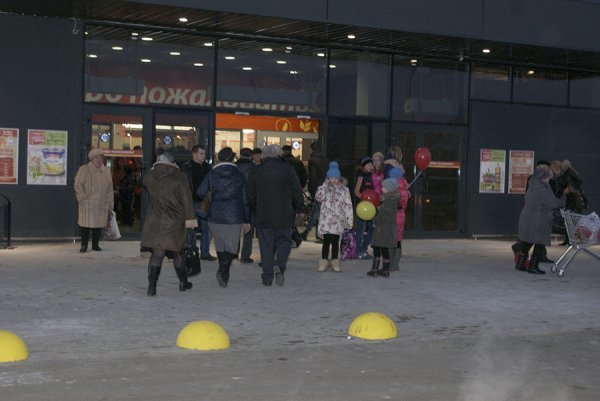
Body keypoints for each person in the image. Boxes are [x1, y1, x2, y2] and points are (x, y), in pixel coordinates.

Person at [247, 144, 305, 286]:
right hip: (284, 213)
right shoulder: (288, 169)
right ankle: (280, 264)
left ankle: (267, 277)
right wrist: (300, 208)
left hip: (263, 213)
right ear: (279, 154)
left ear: (263, 155)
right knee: (284, 241)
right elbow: (296, 190)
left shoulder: (256, 171)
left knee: (266, 246)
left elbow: (250, 194)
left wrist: (255, 208)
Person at [140, 152, 197, 296]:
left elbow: (146, 180)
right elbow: (187, 200)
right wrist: (190, 221)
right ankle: (183, 282)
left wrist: (155, 167)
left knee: (157, 253)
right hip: (174, 221)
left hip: (155, 221)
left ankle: (151, 287)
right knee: (177, 252)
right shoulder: (180, 177)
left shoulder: (149, 176)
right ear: (173, 162)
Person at [197, 147, 251, 288]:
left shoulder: (211, 174)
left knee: (220, 246)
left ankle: (223, 272)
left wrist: (213, 195)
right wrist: (247, 220)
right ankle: (223, 271)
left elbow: (200, 192)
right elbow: (245, 199)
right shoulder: (239, 175)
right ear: (232, 159)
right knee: (232, 248)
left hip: (215, 215)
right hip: (235, 215)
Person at [515, 165, 569, 274]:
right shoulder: (543, 188)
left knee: (528, 241)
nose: (551, 175)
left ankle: (520, 263)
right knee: (540, 243)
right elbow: (552, 203)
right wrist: (564, 196)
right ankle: (533, 266)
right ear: (546, 175)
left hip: (527, 218)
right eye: (550, 173)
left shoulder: (533, 185)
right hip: (538, 220)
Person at [316, 162, 354, 272]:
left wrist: (349, 220)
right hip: (326, 220)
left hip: (338, 220)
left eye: (335, 177)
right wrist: (323, 186)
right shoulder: (324, 188)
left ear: (339, 177)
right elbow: (318, 198)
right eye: (331, 177)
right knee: (326, 242)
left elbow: (348, 205)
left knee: (335, 242)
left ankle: (334, 261)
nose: (333, 180)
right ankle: (323, 260)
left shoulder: (344, 190)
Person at [74, 148, 114, 253]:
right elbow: (78, 185)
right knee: (85, 226)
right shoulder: (84, 169)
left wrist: (110, 203)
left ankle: (96, 245)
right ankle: (84, 245)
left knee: (98, 225)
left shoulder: (106, 171)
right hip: (87, 203)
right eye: (96, 157)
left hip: (101, 203)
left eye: (101, 157)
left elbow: (110, 188)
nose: (99, 159)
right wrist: (83, 197)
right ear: (92, 159)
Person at [182, 145, 216, 261]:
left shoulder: (208, 168)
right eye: (201, 154)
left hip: (205, 203)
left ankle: (205, 253)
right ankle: (192, 251)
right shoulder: (186, 167)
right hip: (190, 203)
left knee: (207, 229)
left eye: (204, 154)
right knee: (190, 229)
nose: (204, 156)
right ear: (194, 154)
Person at [367, 178, 400, 277]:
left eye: (383, 187)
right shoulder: (387, 199)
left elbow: (386, 214)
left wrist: (379, 209)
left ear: (389, 189)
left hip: (383, 228)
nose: (381, 188)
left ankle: (375, 269)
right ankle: (385, 270)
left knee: (378, 247)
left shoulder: (389, 201)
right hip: (383, 228)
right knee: (383, 248)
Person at [301, 142, 329, 240]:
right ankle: (313, 232)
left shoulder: (312, 160)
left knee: (317, 211)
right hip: (325, 187)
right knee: (318, 211)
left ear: (312, 149)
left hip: (317, 188)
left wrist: (312, 188)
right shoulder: (326, 160)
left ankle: (309, 232)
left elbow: (312, 177)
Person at [388, 167, 411, 271]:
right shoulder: (405, 191)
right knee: (397, 240)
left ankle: (391, 263)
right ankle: (395, 264)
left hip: (393, 217)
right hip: (401, 216)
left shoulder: (394, 190)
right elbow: (404, 206)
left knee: (391, 240)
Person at [236, 148, 256, 263]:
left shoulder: (234, 167)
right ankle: (245, 255)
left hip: (236, 201)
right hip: (250, 201)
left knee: (236, 229)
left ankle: (234, 252)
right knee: (249, 230)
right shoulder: (254, 169)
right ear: (251, 156)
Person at [354, 156, 375, 259]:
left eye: (372, 164)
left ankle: (364, 249)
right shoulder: (361, 176)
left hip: (370, 208)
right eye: (369, 164)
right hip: (362, 208)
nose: (371, 166)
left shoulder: (370, 177)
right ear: (364, 166)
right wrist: (364, 199)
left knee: (372, 227)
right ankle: (358, 251)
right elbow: (356, 191)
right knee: (361, 229)